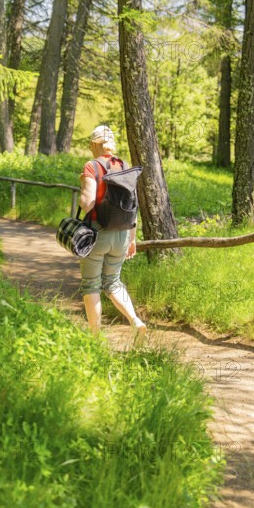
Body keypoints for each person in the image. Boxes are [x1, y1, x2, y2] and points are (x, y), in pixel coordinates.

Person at [79, 125, 147, 347]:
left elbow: (88, 204)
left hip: (97, 233)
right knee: (113, 283)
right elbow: (132, 206)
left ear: (96, 144)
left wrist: (83, 186)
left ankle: (95, 338)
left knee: (91, 285)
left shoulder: (92, 166)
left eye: (91, 145)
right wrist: (132, 239)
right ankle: (135, 321)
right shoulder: (124, 166)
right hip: (122, 234)